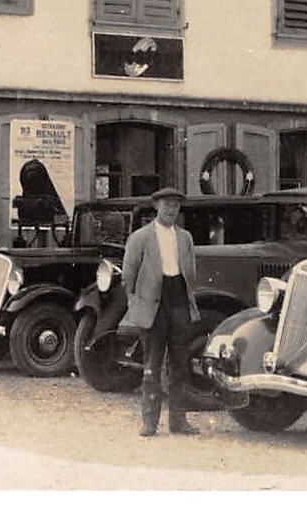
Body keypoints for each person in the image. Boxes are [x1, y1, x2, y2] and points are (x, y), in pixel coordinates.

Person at [117, 186, 202, 436]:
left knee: (180, 364)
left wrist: (188, 301)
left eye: (175, 205)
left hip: (179, 302)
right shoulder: (141, 237)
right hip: (152, 304)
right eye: (166, 205)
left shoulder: (185, 237)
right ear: (156, 206)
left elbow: (191, 273)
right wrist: (136, 303)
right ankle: (149, 422)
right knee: (151, 365)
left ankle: (179, 421)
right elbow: (128, 275)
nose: (171, 210)